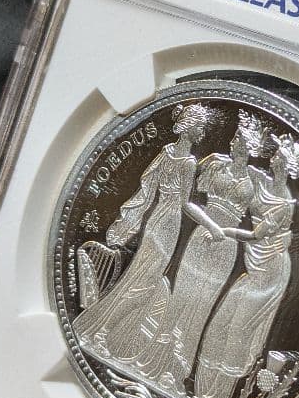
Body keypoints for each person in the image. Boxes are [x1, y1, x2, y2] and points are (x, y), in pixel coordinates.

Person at [135, 111, 269, 389]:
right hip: (202, 237)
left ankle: (176, 373)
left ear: (249, 145)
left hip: (226, 247)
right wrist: (211, 226)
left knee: (201, 308)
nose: (233, 142)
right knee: (179, 299)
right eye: (234, 137)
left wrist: (228, 233)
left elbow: (263, 228)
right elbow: (189, 203)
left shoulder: (257, 181)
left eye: (239, 138)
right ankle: (150, 360)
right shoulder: (215, 164)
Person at [72, 103, 216, 361]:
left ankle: (102, 332)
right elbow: (185, 204)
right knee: (143, 285)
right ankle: (103, 333)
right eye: (201, 128)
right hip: (168, 225)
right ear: (190, 127)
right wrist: (213, 226)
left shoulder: (166, 151)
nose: (203, 133)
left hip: (155, 222)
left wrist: (130, 222)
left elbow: (147, 191)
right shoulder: (188, 162)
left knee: (135, 280)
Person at [193, 132, 299, 398]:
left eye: (279, 157)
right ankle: (203, 395)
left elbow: (255, 235)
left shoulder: (286, 205)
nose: (273, 158)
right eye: (274, 155)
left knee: (238, 332)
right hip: (252, 268)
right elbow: (240, 166)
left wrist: (222, 231)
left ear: (288, 166)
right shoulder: (261, 181)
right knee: (221, 325)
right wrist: (217, 157)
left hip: (269, 272)